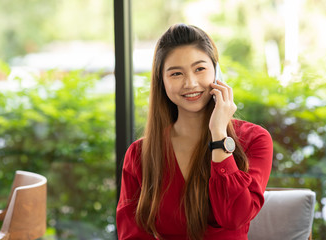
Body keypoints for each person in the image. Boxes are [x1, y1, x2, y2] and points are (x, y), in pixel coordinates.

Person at [116, 23, 273, 240]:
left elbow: (234, 217)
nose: (190, 83)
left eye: (200, 69)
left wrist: (219, 135)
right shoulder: (139, 154)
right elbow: (132, 235)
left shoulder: (254, 140)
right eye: (176, 73)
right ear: (161, 81)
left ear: (216, 72)